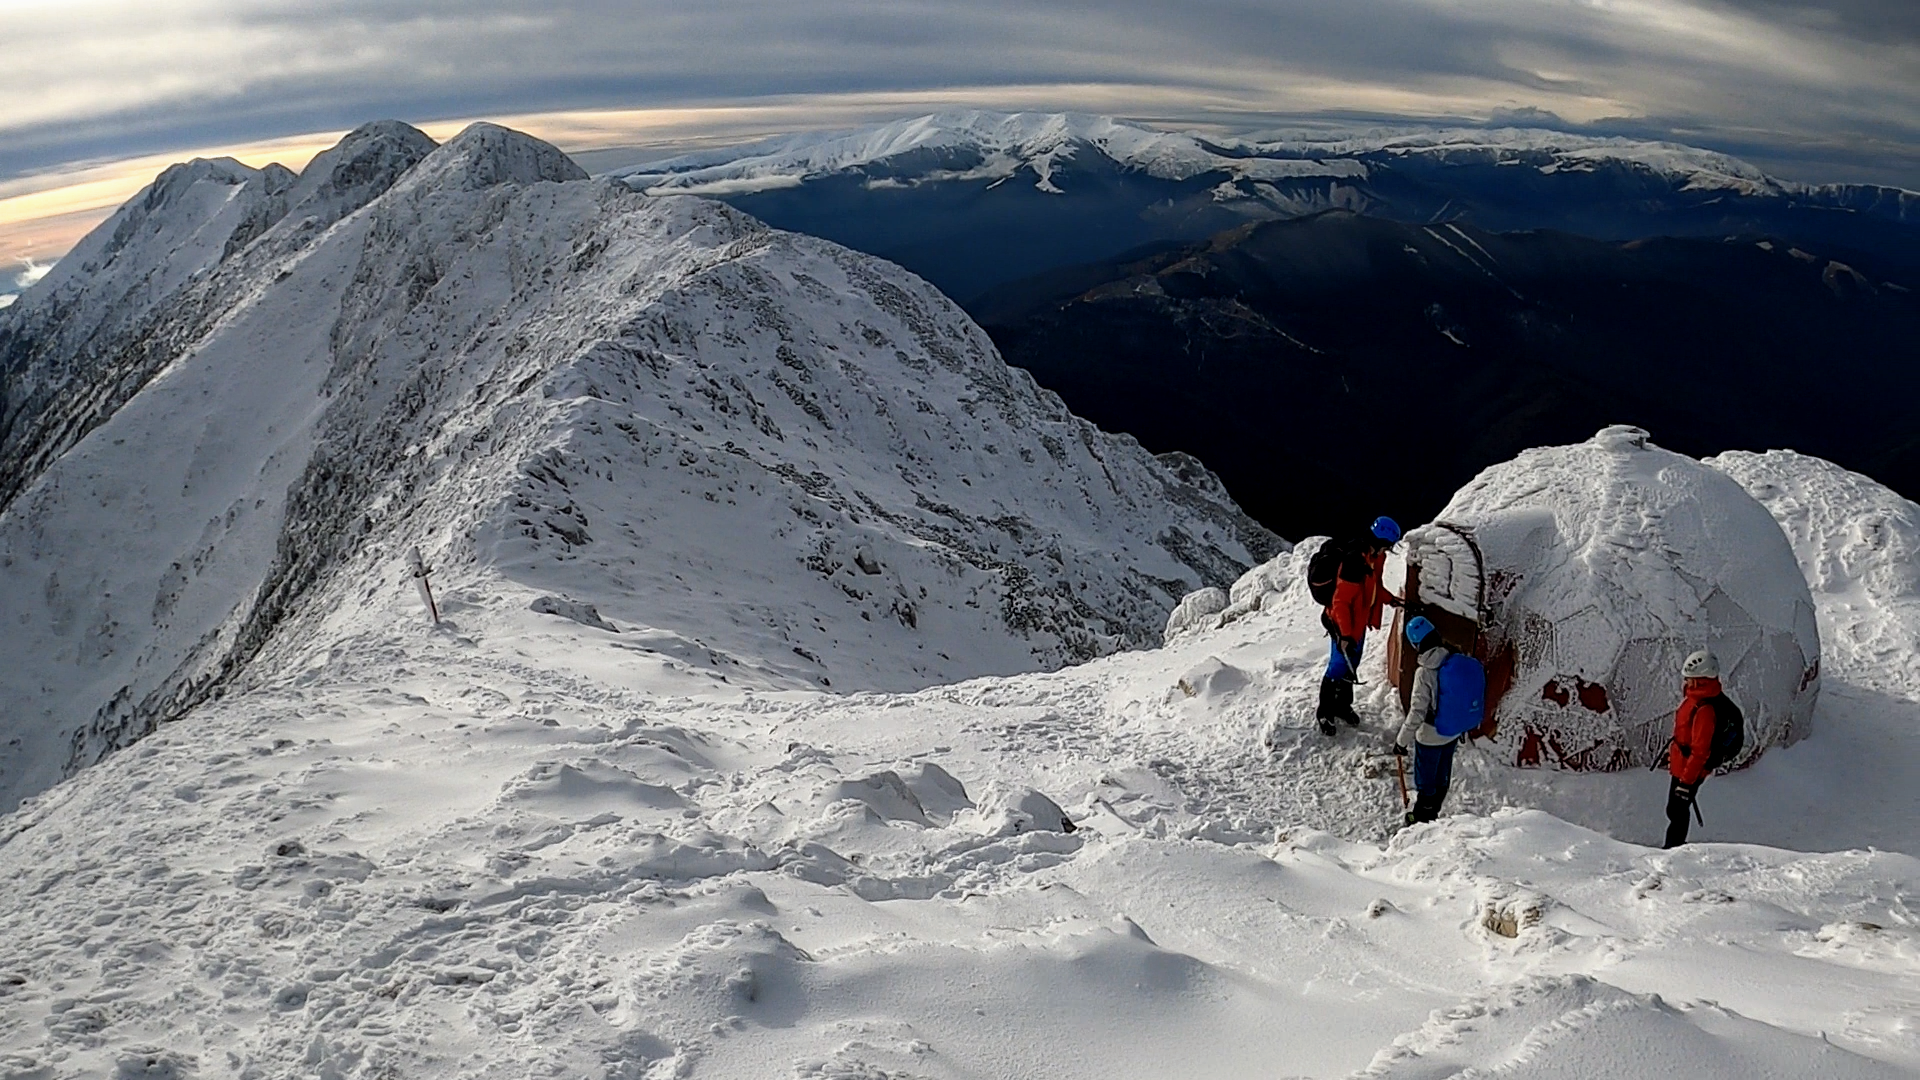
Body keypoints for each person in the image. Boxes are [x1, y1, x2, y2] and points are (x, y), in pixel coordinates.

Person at [1317, 515, 1401, 735]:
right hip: (1343, 625)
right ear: (1381, 541)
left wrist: (1390, 599)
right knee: (1337, 667)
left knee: (1351, 663)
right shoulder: (1355, 561)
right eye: (1387, 546)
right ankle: (1325, 713)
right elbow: (1340, 602)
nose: (1387, 551)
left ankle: (1342, 706)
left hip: (1357, 623)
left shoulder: (1373, 557)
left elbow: (1374, 587)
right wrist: (1344, 636)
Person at [1388, 616, 1462, 824]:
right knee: (1442, 775)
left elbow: (1417, 712)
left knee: (1426, 780)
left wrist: (1401, 742)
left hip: (1429, 735)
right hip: (1452, 730)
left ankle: (1421, 819)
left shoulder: (1424, 673)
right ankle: (1434, 812)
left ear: (1416, 645)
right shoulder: (1454, 659)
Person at [1664, 649, 1728, 848]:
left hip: (1689, 771)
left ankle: (1673, 850)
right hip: (1682, 766)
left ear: (1702, 679)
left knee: (1677, 811)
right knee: (1674, 810)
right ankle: (1673, 847)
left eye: (1690, 678)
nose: (1686, 682)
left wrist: (1686, 782)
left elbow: (1700, 751)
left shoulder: (1705, 710)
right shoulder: (1695, 699)